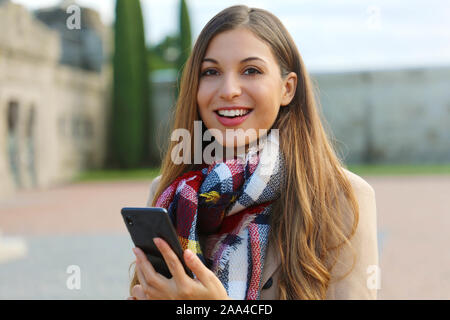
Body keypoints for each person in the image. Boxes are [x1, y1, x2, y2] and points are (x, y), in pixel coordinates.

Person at [128, 5, 378, 300]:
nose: (229, 89)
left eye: (251, 70)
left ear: (287, 89)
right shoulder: (169, 194)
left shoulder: (342, 197)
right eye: (211, 72)